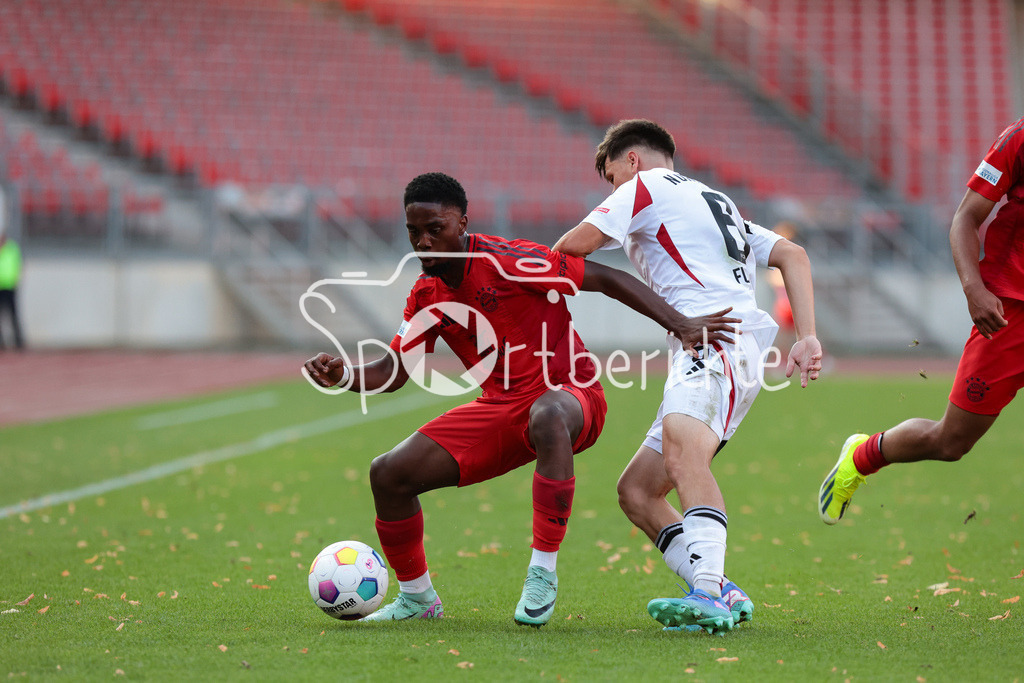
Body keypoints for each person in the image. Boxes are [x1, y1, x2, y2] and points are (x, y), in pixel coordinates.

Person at [303, 172, 738, 626]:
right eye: (415, 231)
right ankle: (417, 599)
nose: (425, 242)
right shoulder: (425, 295)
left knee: (547, 412)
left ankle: (542, 574)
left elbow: (606, 278)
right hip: (501, 408)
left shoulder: (511, 261)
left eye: (437, 229)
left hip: (572, 395)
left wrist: (680, 324)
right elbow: (395, 372)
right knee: (388, 474)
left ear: (462, 223)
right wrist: (344, 376)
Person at [553, 119, 822, 634]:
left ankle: (707, 594)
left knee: (683, 455)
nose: (614, 191)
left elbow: (572, 246)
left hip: (713, 338)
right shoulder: (710, 199)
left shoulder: (645, 187)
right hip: (727, 344)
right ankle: (720, 587)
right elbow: (793, 254)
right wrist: (807, 334)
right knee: (637, 491)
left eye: (611, 179)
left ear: (631, 161)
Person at [819, 116, 1024, 526]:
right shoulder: (1019, 139)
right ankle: (862, 456)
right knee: (951, 441)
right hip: (1010, 311)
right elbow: (965, 218)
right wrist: (974, 289)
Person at [0, 185, 25, 350]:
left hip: (10, 285)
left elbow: (19, 265)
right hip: (1, 285)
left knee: (14, 316)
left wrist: (17, 279)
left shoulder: (12, 248)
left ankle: (19, 343)